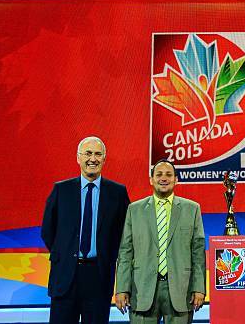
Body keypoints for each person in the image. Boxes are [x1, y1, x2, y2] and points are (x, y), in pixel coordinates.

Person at [41, 136, 131, 324]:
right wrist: (65, 254)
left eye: (98, 154)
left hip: (99, 277)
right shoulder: (61, 190)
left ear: (104, 159)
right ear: (78, 158)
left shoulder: (118, 193)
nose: (93, 159)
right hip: (65, 277)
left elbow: (125, 235)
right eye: (88, 153)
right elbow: (48, 230)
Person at [115, 159, 206, 323]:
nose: (163, 178)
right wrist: (122, 288)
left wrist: (199, 287)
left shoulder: (192, 209)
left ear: (176, 179)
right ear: (151, 179)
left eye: (168, 175)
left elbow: (198, 253)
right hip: (142, 289)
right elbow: (125, 252)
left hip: (181, 290)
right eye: (159, 174)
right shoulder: (134, 210)